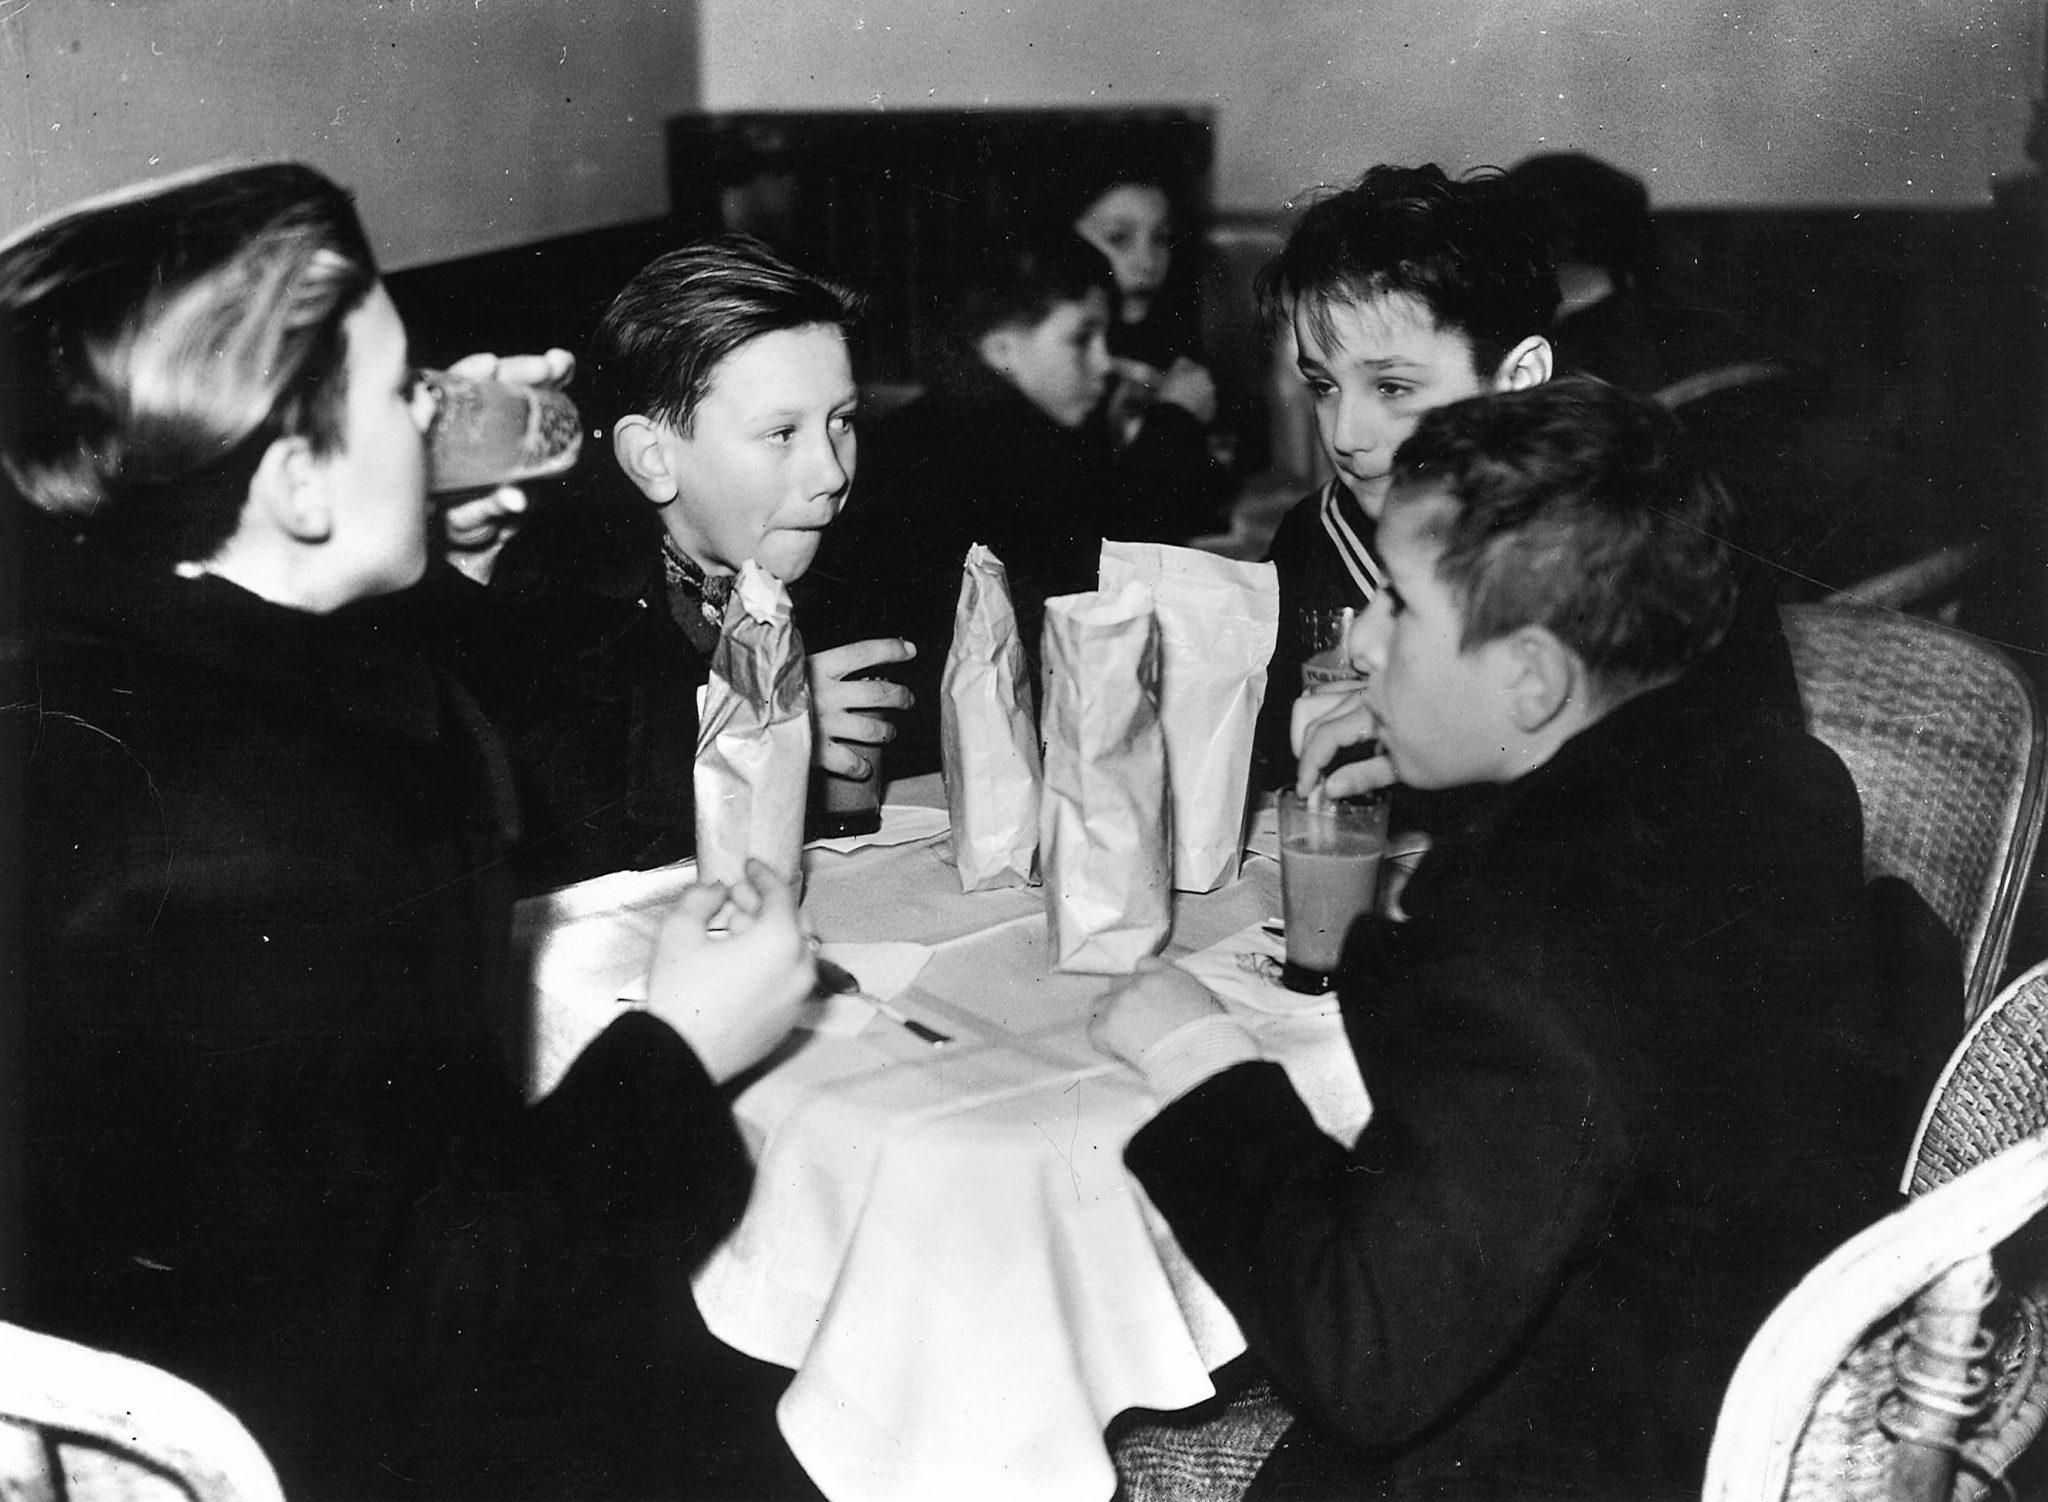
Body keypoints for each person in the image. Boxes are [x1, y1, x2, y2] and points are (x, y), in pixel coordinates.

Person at [5, 162, 824, 1501]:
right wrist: (680, 1050)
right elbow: (452, 1311)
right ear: (291, 482)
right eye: (404, 390)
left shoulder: (103, 669)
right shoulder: (273, 839)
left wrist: (425, 523)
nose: (437, 410)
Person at [1093, 379, 1919, 1501]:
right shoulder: (1785, 780)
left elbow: (1360, 1354)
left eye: (1397, 606)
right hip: (1742, 1372)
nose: (1366, 644)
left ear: (1530, 677)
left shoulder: (1511, 935)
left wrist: (1195, 1055)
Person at [1251, 162, 1798, 788]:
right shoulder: (1309, 542)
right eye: (1323, 386)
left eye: (1393, 386)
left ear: (1518, 377)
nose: (1345, 436)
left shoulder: (1655, 544)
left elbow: (1750, 794)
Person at [472, 234, 915, 889]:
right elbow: (555, 828)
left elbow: (854, 823)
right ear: (653, 459)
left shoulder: (821, 564)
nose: (830, 473)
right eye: (782, 433)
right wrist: (761, 723)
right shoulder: (553, 598)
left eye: (841, 421)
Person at [808, 230, 1216, 775]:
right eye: (1081, 339)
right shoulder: (1004, 447)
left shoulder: (942, 426)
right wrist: (1174, 424)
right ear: (1003, 348)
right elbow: (1123, 580)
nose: (1103, 364)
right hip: (947, 762)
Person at [1067, 169, 1232, 512]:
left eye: (1161, 238)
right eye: (1118, 238)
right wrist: (1176, 420)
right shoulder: (1061, 369)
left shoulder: (1179, 351)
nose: (1146, 263)